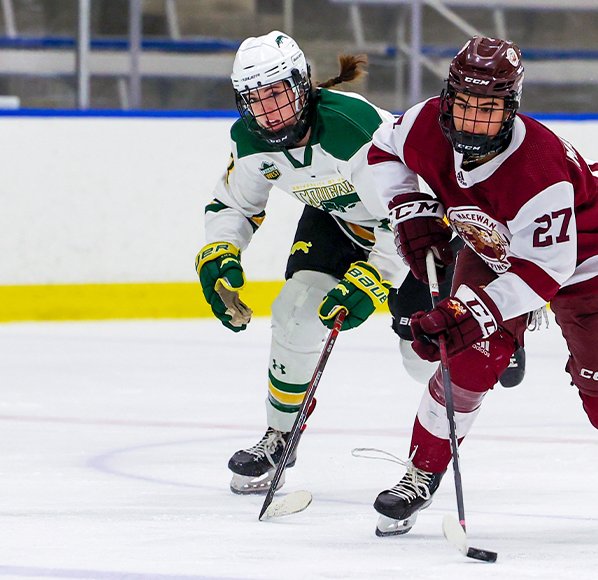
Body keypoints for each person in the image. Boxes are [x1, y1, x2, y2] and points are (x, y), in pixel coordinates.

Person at [364, 35, 598, 536]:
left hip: (589, 269)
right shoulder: (425, 123)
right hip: (492, 248)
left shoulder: (538, 168)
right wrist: (412, 211)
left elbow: (542, 272)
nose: (471, 120)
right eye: (464, 104)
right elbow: (383, 150)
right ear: (448, 97)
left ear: (511, 107)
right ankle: (420, 473)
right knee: (465, 363)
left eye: (488, 109)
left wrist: (467, 314)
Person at [195, 32, 525, 495]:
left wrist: (372, 277)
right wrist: (220, 255)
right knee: (294, 312)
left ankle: (497, 339)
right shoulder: (249, 141)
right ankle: (279, 438)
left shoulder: (351, 129)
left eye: (278, 94)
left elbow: (406, 209)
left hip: (419, 230)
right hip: (339, 220)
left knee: (422, 358)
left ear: (302, 86)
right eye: (256, 99)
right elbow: (233, 203)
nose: (270, 112)